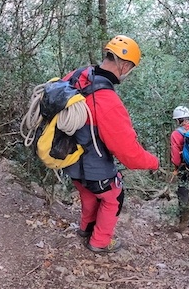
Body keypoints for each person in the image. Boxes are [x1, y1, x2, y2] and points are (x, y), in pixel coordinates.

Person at [63, 35, 159, 253]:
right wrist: (154, 162)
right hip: (93, 165)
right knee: (113, 196)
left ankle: (85, 229)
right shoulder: (107, 101)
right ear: (124, 65)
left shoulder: (78, 76)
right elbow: (129, 153)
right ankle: (100, 242)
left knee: (87, 193)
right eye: (130, 69)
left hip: (68, 159)